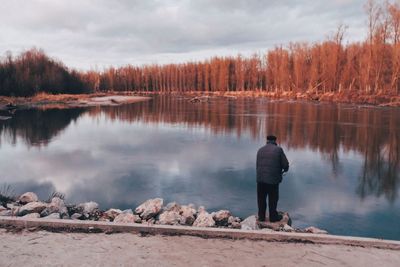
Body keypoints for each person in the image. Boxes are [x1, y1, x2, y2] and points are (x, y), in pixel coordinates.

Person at [256, 135, 289, 222]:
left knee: (261, 199)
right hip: (273, 181)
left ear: (267, 140)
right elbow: (285, 165)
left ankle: (261, 217)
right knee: (273, 199)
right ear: (275, 141)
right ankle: (273, 218)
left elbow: (257, 166)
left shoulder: (260, 150)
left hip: (260, 179)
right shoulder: (279, 150)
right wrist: (285, 169)